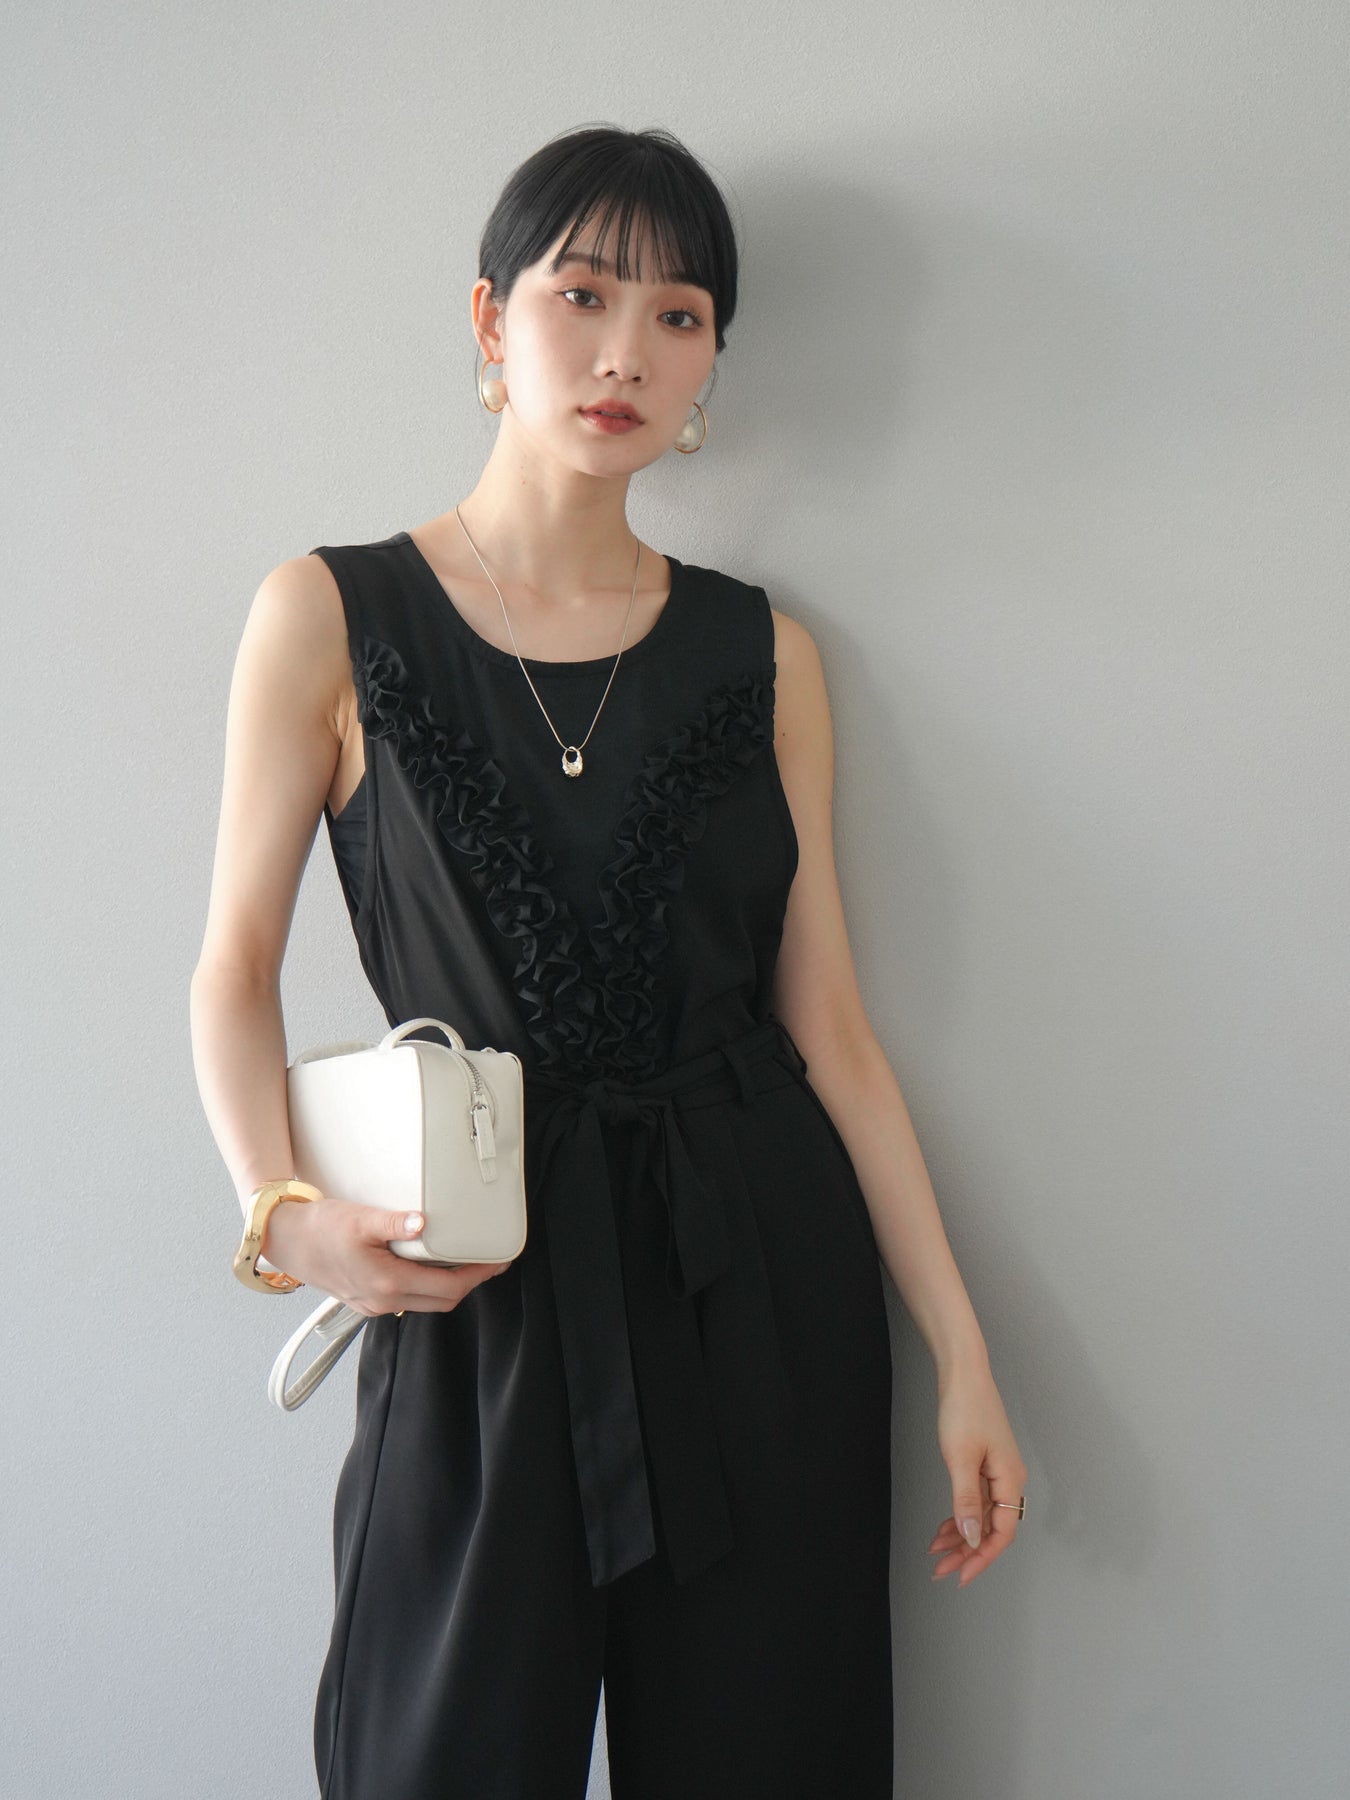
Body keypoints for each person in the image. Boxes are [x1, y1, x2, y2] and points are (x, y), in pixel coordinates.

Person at [190, 123, 1028, 1800]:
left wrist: (962, 1352)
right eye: (581, 295)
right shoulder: (330, 613)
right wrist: (282, 1215)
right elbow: (233, 967)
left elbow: (831, 1031)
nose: (625, 350)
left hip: (753, 1284)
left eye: (678, 314)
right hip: (477, 1279)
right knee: (431, 1755)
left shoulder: (759, 651)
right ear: (489, 320)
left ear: (711, 361)